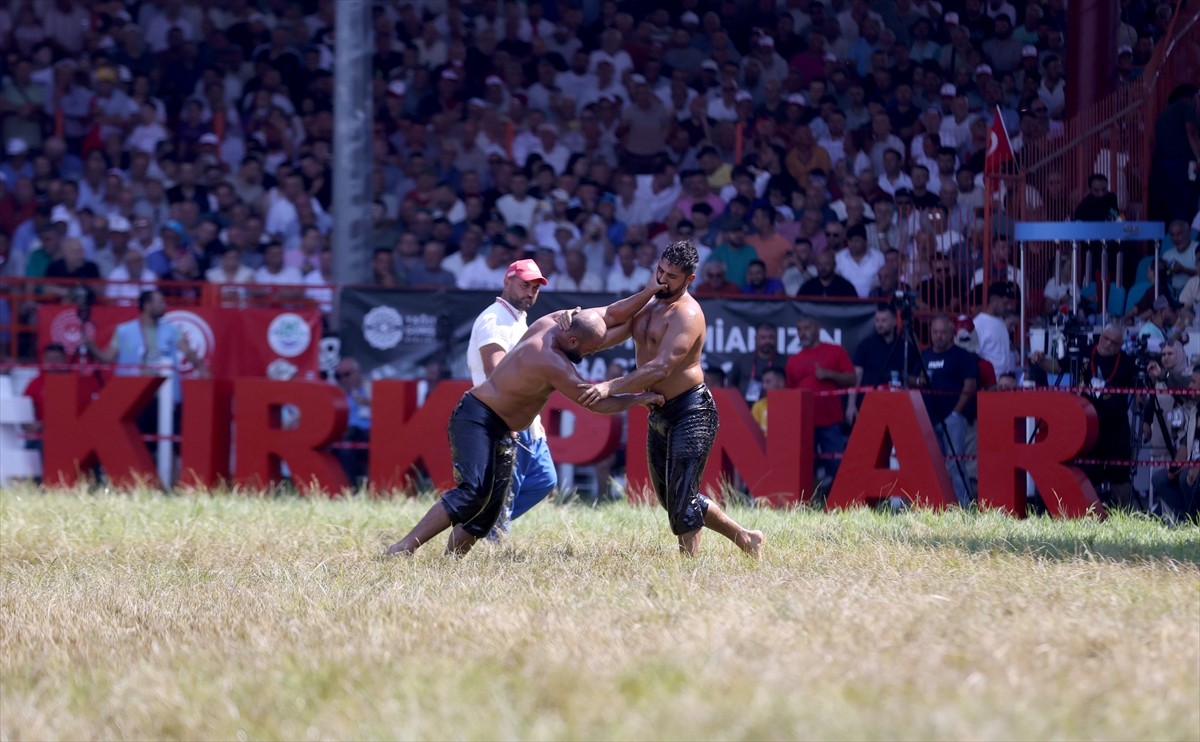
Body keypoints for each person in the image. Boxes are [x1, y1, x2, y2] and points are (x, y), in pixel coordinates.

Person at [385, 278, 666, 558]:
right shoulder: (553, 363)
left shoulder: (552, 321)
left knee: (489, 510)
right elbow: (597, 404)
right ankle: (403, 548)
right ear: (572, 341)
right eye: (589, 350)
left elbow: (611, 314)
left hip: (504, 429)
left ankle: (451, 562)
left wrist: (650, 294)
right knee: (473, 491)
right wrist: (639, 398)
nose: (590, 354)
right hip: (477, 419)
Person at [573, 241, 764, 558]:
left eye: (671, 276)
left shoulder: (688, 315)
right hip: (659, 412)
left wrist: (611, 386)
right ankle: (746, 538)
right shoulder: (648, 305)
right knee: (670, 498)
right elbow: (608, 330)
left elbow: (661, 367)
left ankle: (690, 574)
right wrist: (573, 327)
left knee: (681, 499)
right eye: (659, 271)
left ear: (689, 279)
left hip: (692, 411)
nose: (662, 280)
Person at [466, 258, 557, 540]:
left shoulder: (516, 319)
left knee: (544, 480)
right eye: (524, 285)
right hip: (504, 419)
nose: (530, 292)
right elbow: (497, 372)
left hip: (525, 419)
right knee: (506, 491)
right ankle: (488, 533)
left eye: (535, 288)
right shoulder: (495, 320)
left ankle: (479, 523)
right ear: (507, 282)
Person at [1032, 322, 1136, 509]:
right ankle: (1090, 515)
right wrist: (1041, 360)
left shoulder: (1127, 362)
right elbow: (1056, 367)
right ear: (1100, 336)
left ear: (1120, 345)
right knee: (1088, 474)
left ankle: (1125, 517)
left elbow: (1140, 392)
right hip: (1088, 424)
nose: (1107, 344)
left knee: (1120, 477)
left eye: (1114, 342)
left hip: (1116, 426)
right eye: (1105, 338)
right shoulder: (1083, 352)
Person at [786, 315, 857, 492]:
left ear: (818, 329)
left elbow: (852, 378)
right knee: (804, 467)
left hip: (830, 421)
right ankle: (809, 501)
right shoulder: (792, 361)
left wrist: (829, 375)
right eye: (800, 329)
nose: (803, 332)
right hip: (804, 424)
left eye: (807, 327)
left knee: (837, 464)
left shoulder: (835, 351)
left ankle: (845, 497)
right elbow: (789, 395)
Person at [918, 315, 979, 507]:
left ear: (951, 332)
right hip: (928, 418)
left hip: (953, 418)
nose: (938, 336)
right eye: (935, 332)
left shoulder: (962, 356)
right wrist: (920, 380)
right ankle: (935, 504)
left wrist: (956, 413)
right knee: (931, 463)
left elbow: (970, 385)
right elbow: (911, 378)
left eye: (943, 332)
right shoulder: (925, 355)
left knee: (955, 463)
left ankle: (964, 505)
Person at [847, 304, 922, 424]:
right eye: (877, 320)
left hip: (898, 404)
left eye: (884, 320)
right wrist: (851, 405)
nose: (879, 324)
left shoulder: (906, 347)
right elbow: (857, 375)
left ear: (894, 322)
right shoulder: (866, 345)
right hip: (869, 403)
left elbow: (916, 375)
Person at [727, 322, 783, 405]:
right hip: (744, 410)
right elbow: (731, 384)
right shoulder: (742, 360)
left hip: (774, 407)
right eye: (763, 338)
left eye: (771, 337)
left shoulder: (783, 362)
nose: (767, 341)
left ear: (776, 339)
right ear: (756, 339)